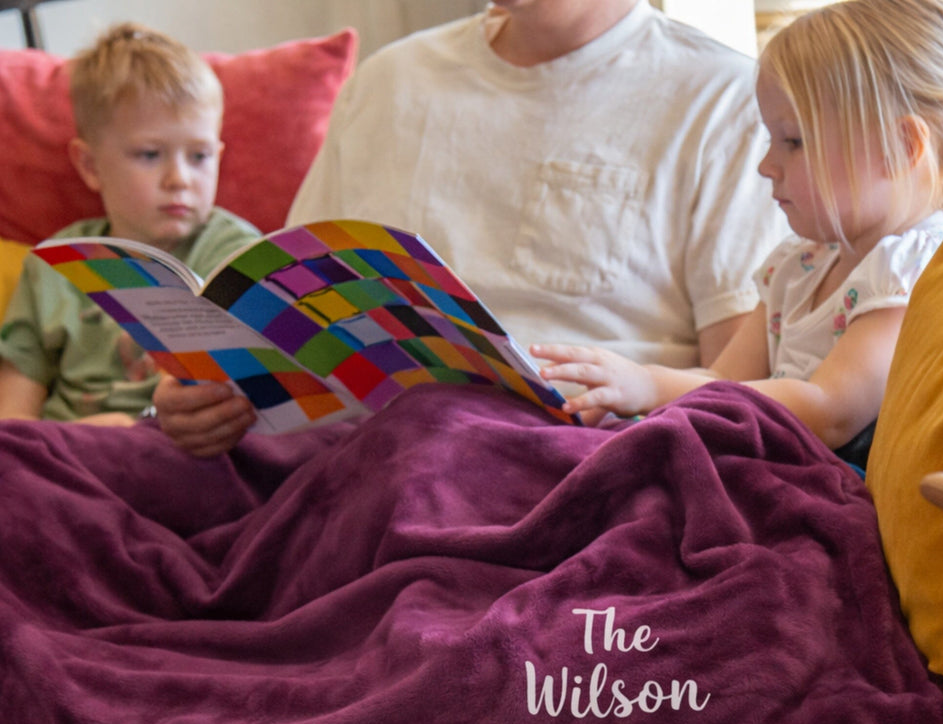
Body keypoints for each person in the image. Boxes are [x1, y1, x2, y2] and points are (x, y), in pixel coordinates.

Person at [151, 0, 789, 457]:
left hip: (569, 465)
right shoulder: (389, 81)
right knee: (65, 479)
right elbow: (280, 316)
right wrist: (208, 397)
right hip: (348, 459)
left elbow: (740, 389)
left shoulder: (725, 99)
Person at [532, 0, 943, 466]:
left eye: (793, 141)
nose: (765, 165)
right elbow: (723, 384)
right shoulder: (798, 266)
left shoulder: (912, 270)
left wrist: (653, 384)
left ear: (902, 147)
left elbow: (828, 410)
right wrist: (638, 405)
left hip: (828, 488)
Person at [0, 23, 260, 426]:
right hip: (75, 453)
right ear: (89, 165)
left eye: (200, 156)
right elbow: (13, 420)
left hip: (197, 448)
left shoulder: (239, 252)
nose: (180, 179)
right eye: (150, 154)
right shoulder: (52, 266)